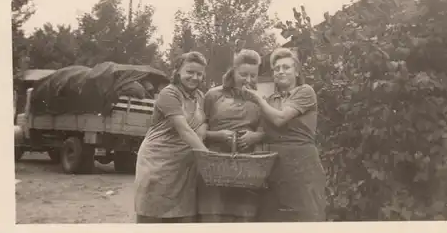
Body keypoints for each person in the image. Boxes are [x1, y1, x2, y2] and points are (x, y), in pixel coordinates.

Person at [241, 48, 327, 222]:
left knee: (306, 219)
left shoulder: (305, 91)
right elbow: (268, 131)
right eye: (277, 68)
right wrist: (253, 136)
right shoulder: (271, 100)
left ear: (296, 71)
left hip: (302, 165)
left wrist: (258, 99)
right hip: (275, 166)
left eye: (286, 67)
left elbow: (280, 119)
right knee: (274, 220)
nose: (281, 71)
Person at [134, 51, 209, 223]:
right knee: (152, 218)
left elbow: (204, 122)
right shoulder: (169, 94)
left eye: (199, 73)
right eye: (190, 72)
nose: (194, 77)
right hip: (158, 165)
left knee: (182, 221)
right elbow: (184, 130)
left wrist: (203, 129)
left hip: (183, 167)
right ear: (178, 71)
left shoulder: (200, 97)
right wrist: (207, 156)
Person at [198, 49, 265, 223]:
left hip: (246, 168)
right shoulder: (213, 95)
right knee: (213, 220)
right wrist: (217, 135)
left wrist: (254, 137)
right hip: (214, 166)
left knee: (244, 222)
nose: (248, 80)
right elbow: (198, 131)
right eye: (243, 74)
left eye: (253, 75)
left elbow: (267, 131)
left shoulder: (261, 99)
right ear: (233, 71)